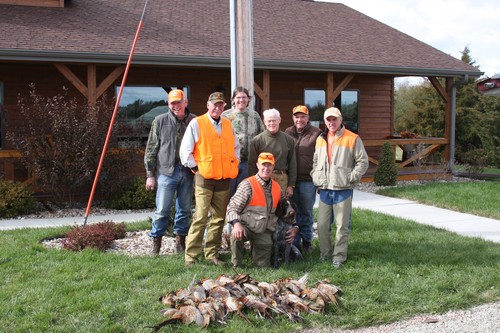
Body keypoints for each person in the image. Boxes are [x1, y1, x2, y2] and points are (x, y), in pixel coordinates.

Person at [180, 91, 240, 266]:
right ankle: (191, 256)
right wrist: (195, 168)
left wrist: (234, 164)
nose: (217, 107)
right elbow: (185, 151)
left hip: (224, 179)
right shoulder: (197, 123)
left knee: (219, 218)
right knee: (200, 216)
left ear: (224, 107)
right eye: (214, 104)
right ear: (208, 105)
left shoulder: (228, 125)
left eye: (221, 105)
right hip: (204, 178)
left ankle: (212, 254)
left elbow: (236, 147)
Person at [311, 107, 368, 268]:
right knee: (321, 225)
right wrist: (316, 176)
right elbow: (316, 161)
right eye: (328, 120)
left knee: (342, 225)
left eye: (334, 119)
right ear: (325, 121)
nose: (331, 122)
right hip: (325, 189)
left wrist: (351, 177)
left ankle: (339, 257)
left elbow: (363, 162)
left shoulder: (352, 138)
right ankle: (325, 253)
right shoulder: (321, 139)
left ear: (340, 120)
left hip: (343, 189)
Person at [144, 89, 196, 256]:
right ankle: (156, 246)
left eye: (179, 102)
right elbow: (151, 148)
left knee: (185, 210)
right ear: (168, 104)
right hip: (166, 172)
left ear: (185, 102)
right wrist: (150, 175)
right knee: (162, 211)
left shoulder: (195, 121)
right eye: (172, 103)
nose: (176, 106)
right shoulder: (159, 121)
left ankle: (180, 244)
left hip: (188, 172)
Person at [226, 152, 298, 268]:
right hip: (246, 227)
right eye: (263, 164)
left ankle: (254, 254)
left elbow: (287, 207)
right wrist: (236, 224)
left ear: (273, 167)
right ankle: (237, 265)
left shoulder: (276, 187)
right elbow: (232, 208)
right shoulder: (247, 185)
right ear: (258, 165)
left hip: (264, 231)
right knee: (236, 235)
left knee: (263, 267)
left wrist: (295, 226)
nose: (266, 168)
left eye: (269, 165)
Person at [284, 105, 321, 253]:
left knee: (306, 212)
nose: (299, 119)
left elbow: (321, 158)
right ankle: (295, 243)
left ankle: (307, 242)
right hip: (291, 180)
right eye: (297, 116)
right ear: (293, 118)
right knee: (293, 212)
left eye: (303, 116)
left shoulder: (316, 133)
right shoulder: (288, 132)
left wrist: (319, 180)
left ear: (308, 118)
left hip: (308, 180)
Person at [221, 86, 265, 196]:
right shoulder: (225, 116)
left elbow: (262, 137)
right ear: (233, 100)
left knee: (245, 194)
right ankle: (229, 213)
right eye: (238, 97)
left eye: (244, 97)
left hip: (249, 162)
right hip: (230, 161)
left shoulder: (254, 116)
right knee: (228, 194)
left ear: (248, 99)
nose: (241, 100)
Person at [247, 108, 297, 198]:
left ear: (279, 120)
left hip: (282, 179)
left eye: (274, 120)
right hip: (263, 178)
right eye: (269, 121)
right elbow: (251, 164)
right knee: (263, 206)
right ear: (264, 122)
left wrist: (291, 185)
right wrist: (253, 183)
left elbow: (292, 163)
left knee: (281, 207)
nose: (271, 123)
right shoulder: (257, 140)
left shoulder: (288, 140)